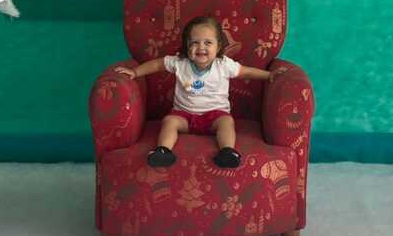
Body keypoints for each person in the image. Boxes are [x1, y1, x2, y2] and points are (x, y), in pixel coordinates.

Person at [116, 15, 279, 168]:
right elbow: (157, 64)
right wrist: (135, 72)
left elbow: (246, 72)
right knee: (169, 121)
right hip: (184, 115)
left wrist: (269, 75)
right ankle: (163, 151)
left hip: (215, 116)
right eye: (194, 42)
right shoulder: (180, 62)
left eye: (208, 42)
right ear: (187, 46)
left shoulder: (223, 65)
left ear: (218, 46)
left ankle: (227, 151)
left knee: (227, 122)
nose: (201, 47)